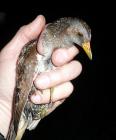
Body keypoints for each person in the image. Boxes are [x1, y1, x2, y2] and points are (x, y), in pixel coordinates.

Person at [0, 15, 82, 138]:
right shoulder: (38, 46)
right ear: (69, 30)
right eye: (81, 36)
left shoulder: (63, 50)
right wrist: (4, 106)